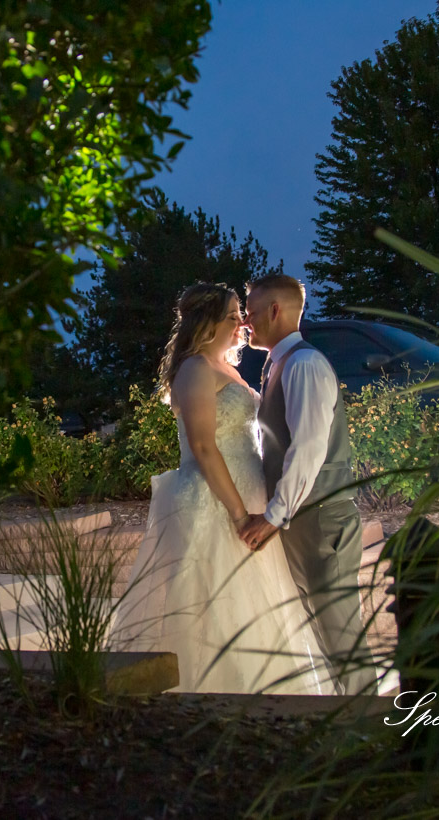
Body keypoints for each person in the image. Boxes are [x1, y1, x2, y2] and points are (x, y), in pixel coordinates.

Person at [109, 282, 332, 694]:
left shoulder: (227, 369)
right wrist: (238, 514)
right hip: (216, 502)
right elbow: (203, 446)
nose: (242, 322)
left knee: (257, 606)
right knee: (213, 605)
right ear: (207, 322)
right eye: (233, 315)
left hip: (249, 496)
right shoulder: (195, 368)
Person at [237, 274, 376, 695]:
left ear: (276, 311)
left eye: (252, 311)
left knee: (341, 639)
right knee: (323, 636)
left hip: (322, 522)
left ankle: (369, 730)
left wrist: (274, 516)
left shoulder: (304, 365)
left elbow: (309, 449)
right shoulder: (279, 364)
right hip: (306, 522)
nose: (246, 320)